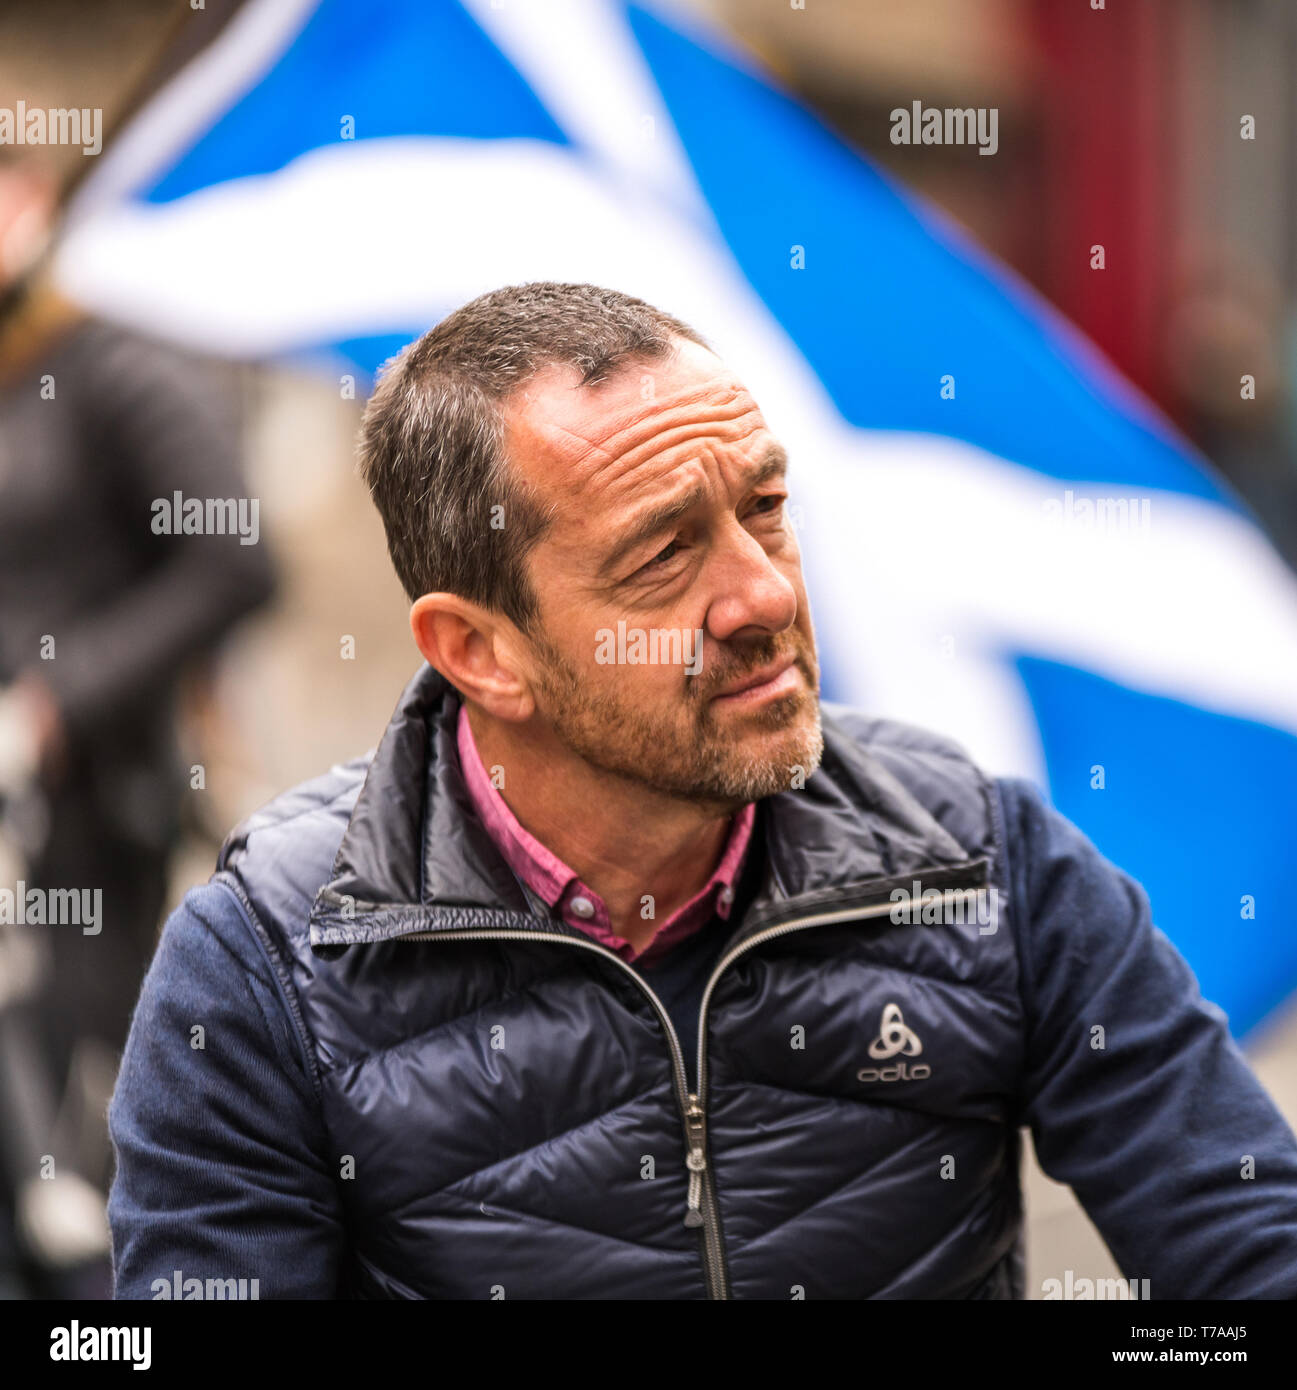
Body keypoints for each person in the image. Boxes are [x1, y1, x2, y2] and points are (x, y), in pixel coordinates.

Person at [106, 282, 1297, 1300]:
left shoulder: (980, 856)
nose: (763, 595)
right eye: (664, 553)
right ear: (480, 651)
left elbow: (1247, 1249)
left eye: (764, 511)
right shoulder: (264, 966)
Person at [0, 152, 276, 1297]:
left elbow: (237, 560)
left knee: (73, 1175)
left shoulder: (113, 359)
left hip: (84, 838)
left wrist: (55, 702)